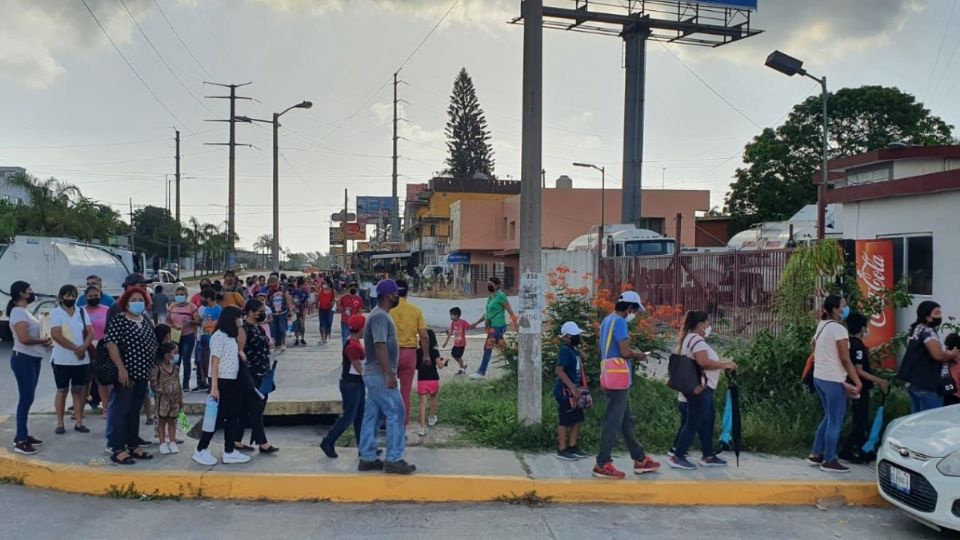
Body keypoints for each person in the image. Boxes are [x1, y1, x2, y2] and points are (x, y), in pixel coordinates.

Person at [593, 290, 660, 479]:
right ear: (630, 308)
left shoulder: (608, 320)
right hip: (619, 379)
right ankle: (602, 462)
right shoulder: (620, 322)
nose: (635, 314)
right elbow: (623, 351)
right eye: (636, 310)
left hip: (610, 375)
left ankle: (640, 458)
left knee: (625, 420)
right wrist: (638, 355)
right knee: (613, 421)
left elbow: (605, 348)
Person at [357, 279, 416, 475]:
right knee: (397, 412)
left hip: (374, 374)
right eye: (396, 293)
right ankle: (394, 458)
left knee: (371, 416)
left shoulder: (377, 315)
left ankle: (367, 457)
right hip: (380, 374)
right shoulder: (381, 317)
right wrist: (389, 373)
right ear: (388, 295)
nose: (398, 296)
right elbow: (380, 345)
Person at [667, 311, 736, 470]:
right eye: (706, 323)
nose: (708, 327)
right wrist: (725, 364)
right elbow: (703, 362)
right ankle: (678, 457)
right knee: (693, 422)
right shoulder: (696, 339)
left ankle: (708, 455)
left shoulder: (689, 338)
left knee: (707, 421)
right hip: (701, 388)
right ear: (699, 324)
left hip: (701, 388)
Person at [103, 287, 159, 465]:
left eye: (140, 299)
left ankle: (133, 444)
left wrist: (152, 370)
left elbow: (152, 345)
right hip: (127, 374)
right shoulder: (120, 319)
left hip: (143, 373)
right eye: (133, 299)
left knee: (135, 411)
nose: (137, 302)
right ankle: (118, 448)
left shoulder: (145, 320)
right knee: (122, 410)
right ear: (126, 302)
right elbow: (111, 344)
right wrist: (121, 368)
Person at [808, 295, 862, 474]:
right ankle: (829, 459)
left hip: (819, 377)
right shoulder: (839, 330)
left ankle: (817, 453)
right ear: (836, 309)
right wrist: (857, 381)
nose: (846, 308)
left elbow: (813, 344)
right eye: (843, 305)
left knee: (829, 416)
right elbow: (846, 360)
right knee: (835, 419)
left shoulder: (822, 325)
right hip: (833, 379)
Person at [192, 306, 251, 466]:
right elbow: (215, 361)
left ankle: (229, 450)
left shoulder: (231, 337)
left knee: (232, 416)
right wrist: (214, 387)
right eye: (238, 317)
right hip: (222, 381)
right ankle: (201, 448)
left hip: (232, 380)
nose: (240, 320)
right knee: (216, 418)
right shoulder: (219, 336)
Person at [7, 281, 51, 455]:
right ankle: (21, 440)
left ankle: (22, 433)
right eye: (29, 291)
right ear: (21, 294)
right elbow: (23, 339)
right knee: (26, 399)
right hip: (23, 359)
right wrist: (43, 341)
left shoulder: (24, 312)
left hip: (32, 358)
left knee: (28, 399)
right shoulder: (18, 312)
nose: (32, 293)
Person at [839, 312, 889, 463]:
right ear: (862, 328)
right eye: (866, 326)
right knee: (860, 421)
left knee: (859, 419)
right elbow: (859, 370)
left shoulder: (849, 343)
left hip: (852, 386)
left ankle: (860, 448)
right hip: (859, 388)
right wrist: (880, 381)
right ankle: (846, 450)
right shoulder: (858, 346)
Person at [897, 300, 960, 413]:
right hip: (927, 383)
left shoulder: (917, 329)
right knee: (930, 421)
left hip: (915, 382)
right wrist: (951, 355)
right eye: (936, 313)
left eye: (940, 313)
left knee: (918, 419)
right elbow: (938, 356)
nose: (940, 316)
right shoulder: (928, 331)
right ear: (926, 316)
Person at [49, 284, 95, 435]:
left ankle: (79, 421)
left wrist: (83, 348)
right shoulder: (56, 313)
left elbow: (90, 332)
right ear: (61, 297)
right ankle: (60, 423)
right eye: (68, 296)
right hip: (62, 359)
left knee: (79, 391)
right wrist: (76, 349)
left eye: (73, 296)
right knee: (62, 390)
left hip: (81, 360)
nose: (71, 299)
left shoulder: (81, 312)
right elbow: (56, 334)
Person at [321, 314, 367, 458]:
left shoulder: (354, 341)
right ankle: (328, 441)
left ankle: (364, 447)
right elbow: (358, 367)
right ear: (361, 328)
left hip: (355, 383)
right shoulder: (353, 346)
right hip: (351, 385)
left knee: (360, 417)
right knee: (349, 417)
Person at [236, 299, 279, 454]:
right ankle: (263, 443)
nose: (263, 313)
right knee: (255, 408)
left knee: (247, 409)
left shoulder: (259, 328)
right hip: (251, 374)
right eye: (260, 311)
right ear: (250, 312)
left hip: (264, 373)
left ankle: (236, 440)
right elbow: (240, 352)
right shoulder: (244, 329)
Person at [390, 279, 430, 426]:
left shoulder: (386, 310)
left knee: (388, 390)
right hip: (409, 354)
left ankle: (388, 422)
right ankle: (403, 426)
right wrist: (425, 355)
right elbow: (424, 336)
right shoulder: (416, 310)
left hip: (390, 353)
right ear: (407, 292)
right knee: (405, 393)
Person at [554, 321, 589, 461]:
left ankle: (573, 447)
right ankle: (562, 449)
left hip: (576, 391)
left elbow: (582, 361)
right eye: (574, 335)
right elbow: (559, 370)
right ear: (566, 337)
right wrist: (572, 388)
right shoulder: (564, 350)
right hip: (565, 392)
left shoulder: (573, 350)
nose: (577, 337)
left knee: (577, 418)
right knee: (565, 420)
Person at [470, 277, 517, 379]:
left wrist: (515, 323)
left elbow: (509, 310)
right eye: (488, 284)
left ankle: (481, 372)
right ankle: (516, 365)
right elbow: (487, 314)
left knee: (488, 347)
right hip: (491, 326)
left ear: (497, 285)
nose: (489, 286)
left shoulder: (501, 296)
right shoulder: (491, 297)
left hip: (498, 326)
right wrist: (477, 323)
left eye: (491, 284)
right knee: (502, 347)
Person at [150, 342, 183, 455]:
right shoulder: (157, 368)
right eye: (175, 352)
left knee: (172, 421)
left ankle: (172, 442)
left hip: (174, 400)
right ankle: (163, 443)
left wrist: (180, 399)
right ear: (167, 355)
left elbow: (178, 383)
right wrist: (161, 390)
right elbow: (153, 383)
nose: (177, 355)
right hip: (163, 400)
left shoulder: (175, 368)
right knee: (161, 421)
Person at [83, 285, 111, 415]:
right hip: (85, 348)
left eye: (96, 295)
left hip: (103, 349)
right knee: (84, 381)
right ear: (85, 297)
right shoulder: (80, 311)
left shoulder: (107, 310)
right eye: (90, 296)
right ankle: (79, 409)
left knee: (102, 380)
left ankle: (106, 408)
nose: (94, 298)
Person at [416, 329, 446, 437]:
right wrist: (445, 361)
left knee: (422, 403)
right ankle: (432, 418)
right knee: (434, 398)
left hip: (421, 380)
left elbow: (415, 366)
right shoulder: (434, 352)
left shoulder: (418, 352)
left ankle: (422, 428)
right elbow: (440, 366)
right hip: (433, 379)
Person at [168, 286, 199, 390]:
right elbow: (168, 320)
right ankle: (174, 383)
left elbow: (198, 321)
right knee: (176, 360)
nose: (179, 296)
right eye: (177, 295)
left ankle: (185, 385)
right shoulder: (172, 306)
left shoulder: (192, 307)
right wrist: (172, 325)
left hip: (188, 336)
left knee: (186, 360)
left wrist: (190, 321)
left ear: (186, 295)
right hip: (175, 336)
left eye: (181, 294)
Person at [195, 288, 222, 391]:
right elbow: (204, 322)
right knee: (202, 362)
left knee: (212, 364)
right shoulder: (206, 308)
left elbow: (219, 323)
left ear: (209, 298)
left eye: (203, 298)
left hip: (212, 340)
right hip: (204, 338)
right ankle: (205, 382)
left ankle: (213, 385)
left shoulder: (218, 309)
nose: (201, 301)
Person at [267, 277, 293, 352]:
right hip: (272, 312)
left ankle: (283, 343)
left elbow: (288, 299)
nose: (273, 285)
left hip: (282, 311)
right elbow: (267, 301)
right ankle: (273, 344)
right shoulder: (269, 291)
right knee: (273, 329)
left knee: (282, 328)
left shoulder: (283, 289)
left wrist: (290, 309)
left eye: (274, 283)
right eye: (271, 283)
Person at [442, 307, 470, 375]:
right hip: (456, 343)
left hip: (461, 344)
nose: (450, 317)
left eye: (452, 315)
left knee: (458, 356)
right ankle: (462, 367)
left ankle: (462, 369)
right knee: (453, 355)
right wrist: (445, 343)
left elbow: (469, 326)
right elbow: (450, 333)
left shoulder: (463, 322)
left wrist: (475, 324)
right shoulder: (453, 323)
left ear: (457, 315)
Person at [290, 278, 310, 346]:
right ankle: (297, 339)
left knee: (302, 325)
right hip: (295, 310)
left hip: (302, 310)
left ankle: (302, 338)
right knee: (296, 325)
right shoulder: (295, 292)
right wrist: (293, 308)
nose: (305, 285)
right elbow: (293, 300)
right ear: (300, 284)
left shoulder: (305, 292)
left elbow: (306, 302)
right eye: (304, 284)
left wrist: (306, 310)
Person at [317, 278, 336, 345]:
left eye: (325, 283)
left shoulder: (333, 291)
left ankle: (325, 337)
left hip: (329, 310)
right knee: (322, 323)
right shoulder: (321, 290)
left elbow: (335, 298)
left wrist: (333, 302)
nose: (323, 284)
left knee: (328, 323)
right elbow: (318, 298)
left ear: (329, 283)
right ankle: (322, 338)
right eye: (323, 283)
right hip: (321, 309)